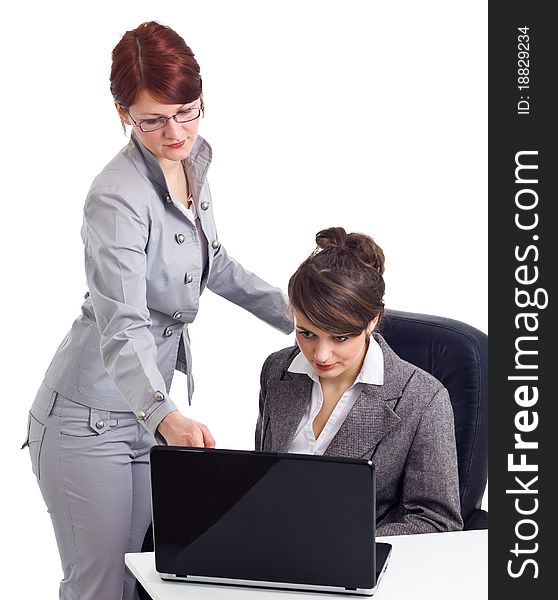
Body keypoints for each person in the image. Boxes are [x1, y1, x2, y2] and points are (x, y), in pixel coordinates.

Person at [23, 21, 292, 600]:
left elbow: (213, 263)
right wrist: (164, 414)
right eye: (153, 119)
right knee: (98, 587)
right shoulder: (115, 197)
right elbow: (122, 322)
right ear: (123, 112)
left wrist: (303, 318)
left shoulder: (191, 165)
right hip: (88, 419)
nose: (175, 132)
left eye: (188, 111)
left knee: (143, 577)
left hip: (147, 412)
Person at [256, 227, 464, 536]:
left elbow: (437, 521)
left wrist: (351, 544)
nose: (321, 354)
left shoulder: (422, 398)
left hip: (356, 568)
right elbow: (263, 482)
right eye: (307, 333)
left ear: (373, 320)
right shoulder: (278, 370)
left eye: (340, 337)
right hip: (270, 552)